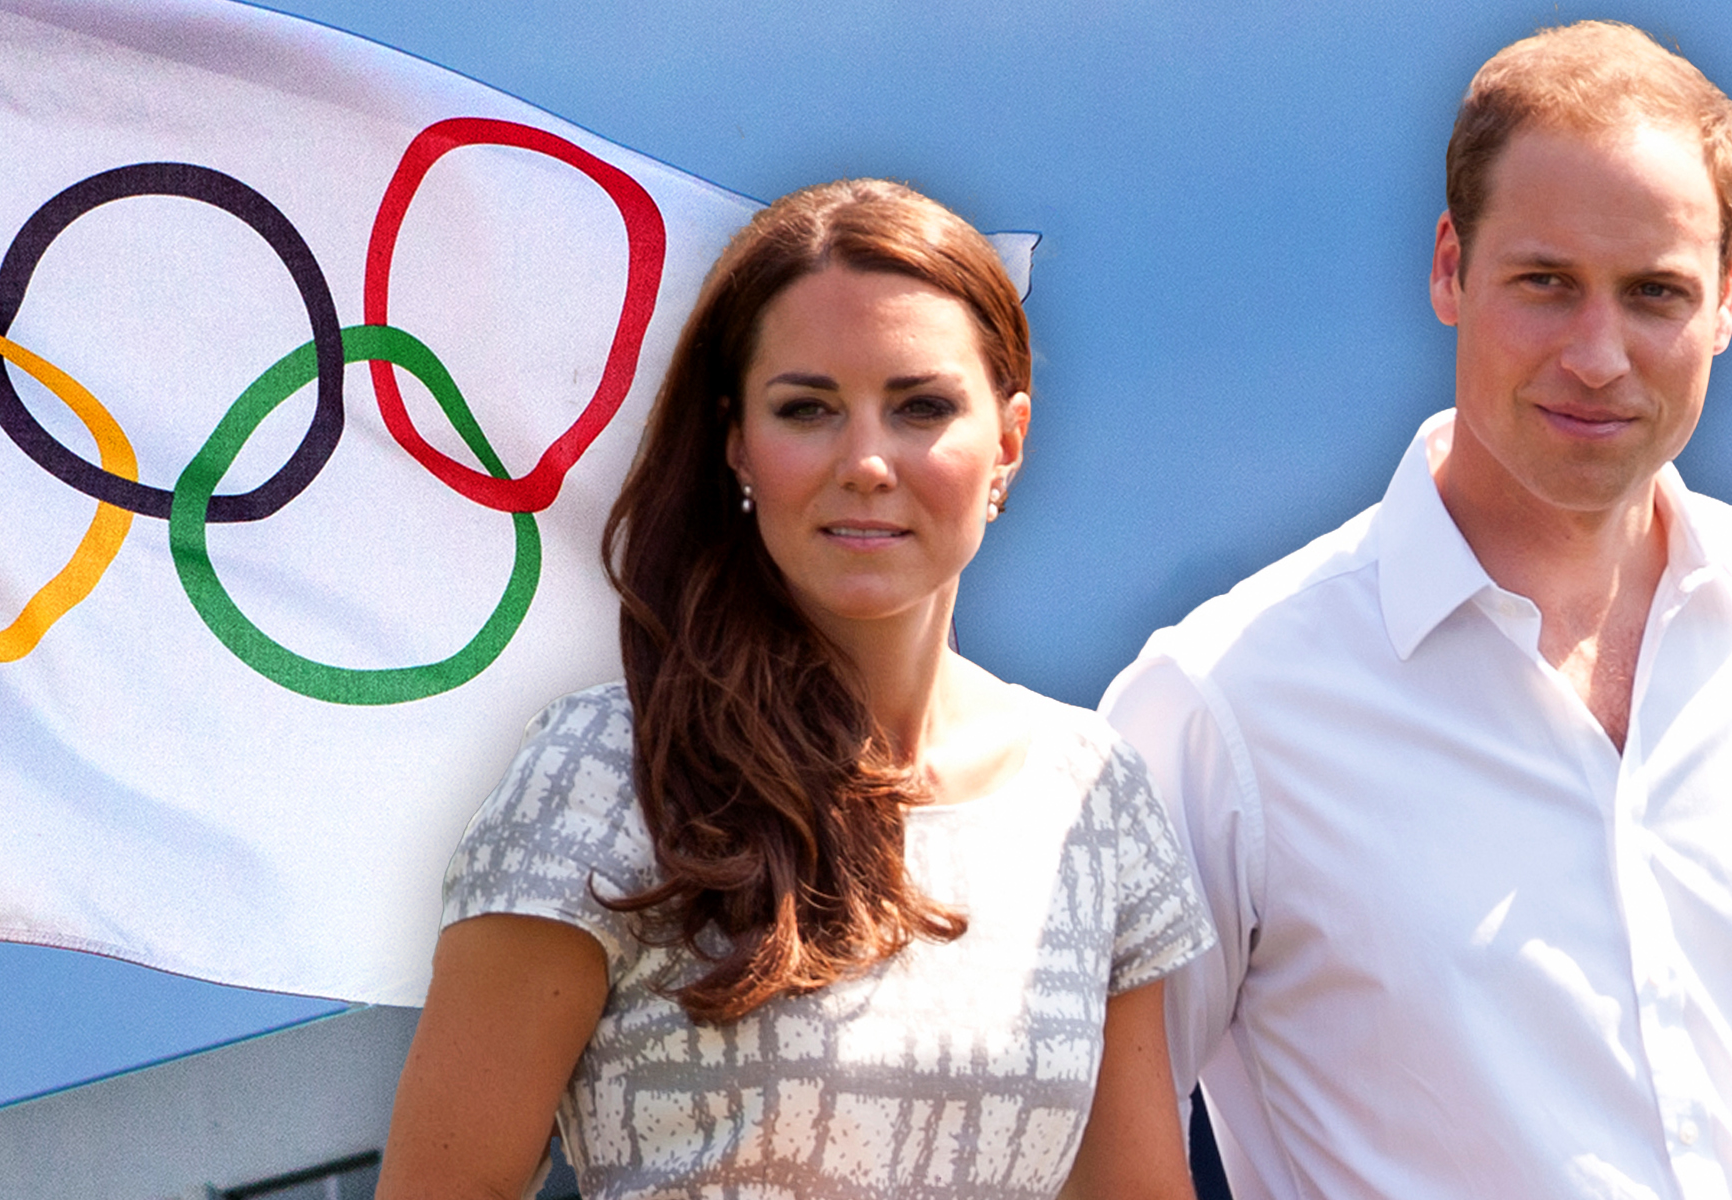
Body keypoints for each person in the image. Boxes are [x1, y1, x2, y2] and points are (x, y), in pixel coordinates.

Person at [1101, 20, 1732, 1200]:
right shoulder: (1222, 705)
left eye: (1656, 294)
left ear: (1728, 299)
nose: (1598, 355)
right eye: (1546, 285)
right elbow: (1087, 1136)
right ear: (1450, 267)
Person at [378, 178, 1216, 1200]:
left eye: (921, 407)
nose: (866, 461)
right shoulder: (604, 774)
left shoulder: (1094, 795)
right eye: (808, 409)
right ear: (738, 443)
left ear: (1008, 440)